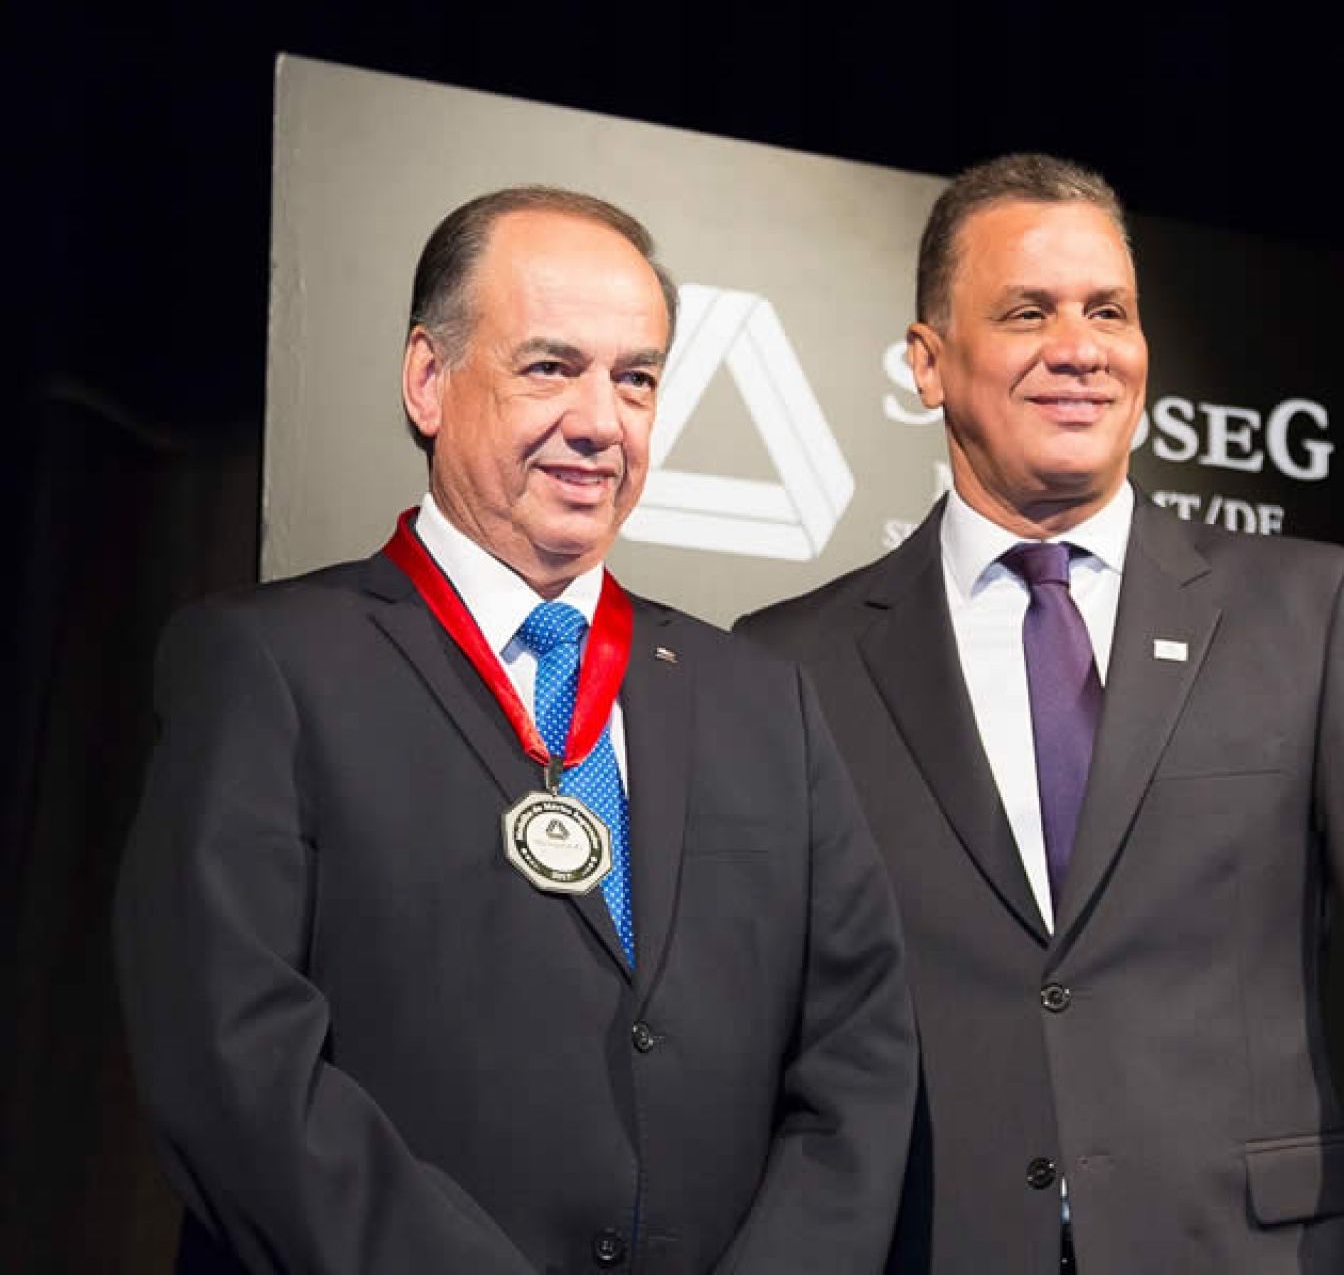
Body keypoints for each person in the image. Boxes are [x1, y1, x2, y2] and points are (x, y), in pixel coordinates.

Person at [735, 154, 1344, 1273]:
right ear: (928, 362)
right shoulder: (795, 662)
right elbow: (749, 1039)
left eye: (1108, 310)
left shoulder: (1308, 614)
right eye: (1028, 312)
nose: (1080, 348)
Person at [115, 186, 917, 1274]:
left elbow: (858, 1055)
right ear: (428, 379)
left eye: (635, 378)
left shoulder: (764, 701)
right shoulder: (266, 666)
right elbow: (233, 1064)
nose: (600, 421)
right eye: (551, 366)